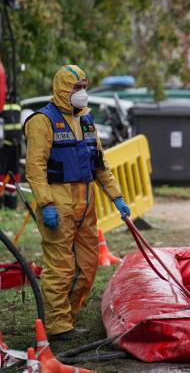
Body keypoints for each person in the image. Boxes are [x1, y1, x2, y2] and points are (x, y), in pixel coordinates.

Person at [24, 65, 130, 339]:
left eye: (83, 86)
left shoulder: (85, 119)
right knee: (60, 267)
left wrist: (117, 197)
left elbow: (99, 163)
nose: (81, 93)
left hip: (86, 202)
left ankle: (68, 316)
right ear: (62, 89)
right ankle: (58, 325)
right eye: (75, 87)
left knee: (88, 264)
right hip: (57, 202)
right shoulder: (42, 121)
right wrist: (46, 203)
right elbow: (35, 168)